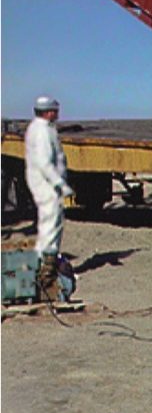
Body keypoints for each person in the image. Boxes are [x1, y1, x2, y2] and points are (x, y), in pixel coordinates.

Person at [24, 95, 74, 300]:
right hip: (47, 186)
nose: (58, 113)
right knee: (51, 226)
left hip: (43, 184)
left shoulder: (38, 128)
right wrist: (60, 184)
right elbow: (45, 162)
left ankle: (42, 266)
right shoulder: (43, 131)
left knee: (48, 224)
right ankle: (46, 272)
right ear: (49, 111)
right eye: (56, 109)